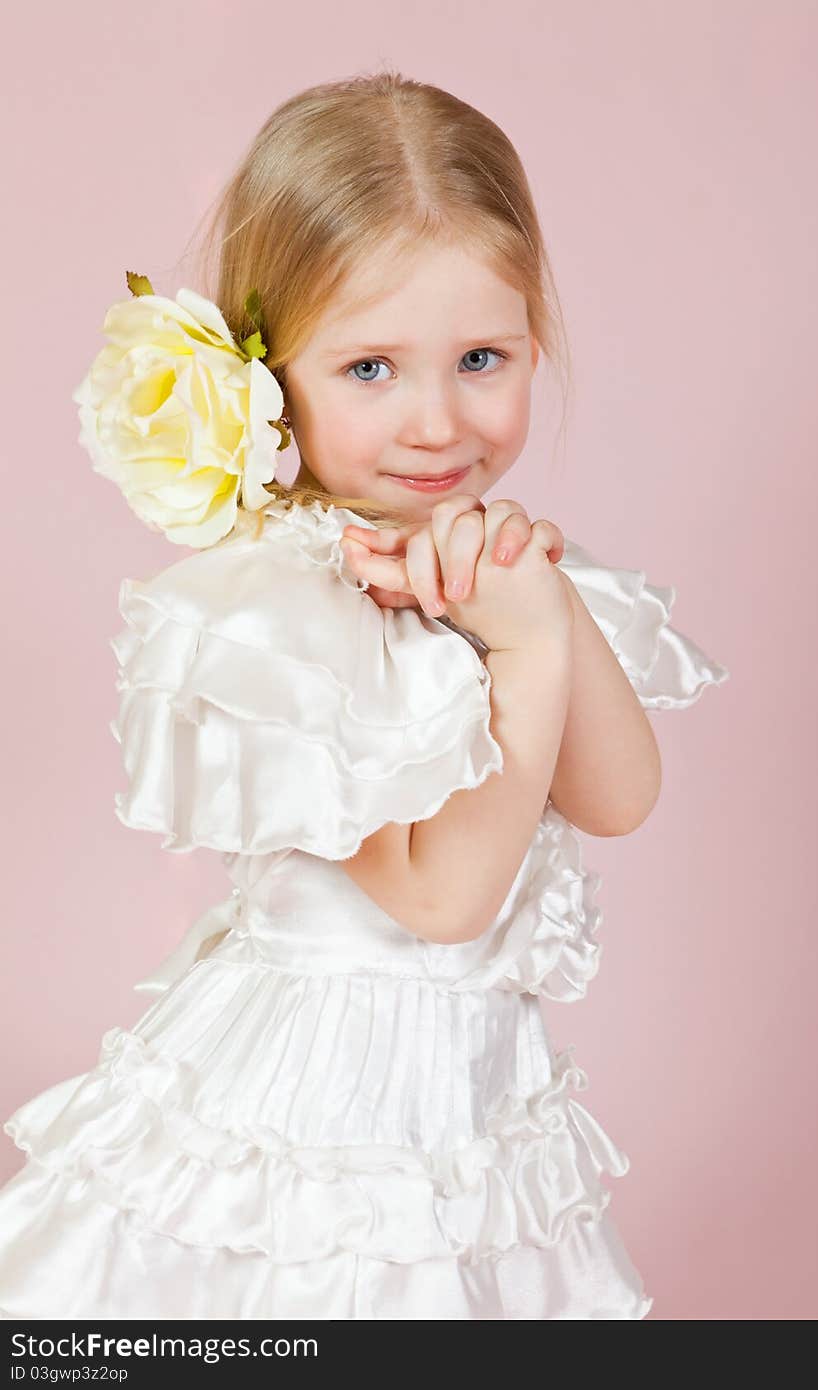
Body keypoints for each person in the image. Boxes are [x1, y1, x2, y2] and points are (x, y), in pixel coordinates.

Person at [0, 70, 729, 1321]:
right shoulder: (281, 614)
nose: (436, 420)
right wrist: (526, 654)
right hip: (317, 1134)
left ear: (532, 345)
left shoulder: (507, 571)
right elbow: (442, 897)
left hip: (463, 1117)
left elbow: (618, 795)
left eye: (481, 358)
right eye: (370, 368)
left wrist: (539, 608)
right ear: (270, 374)